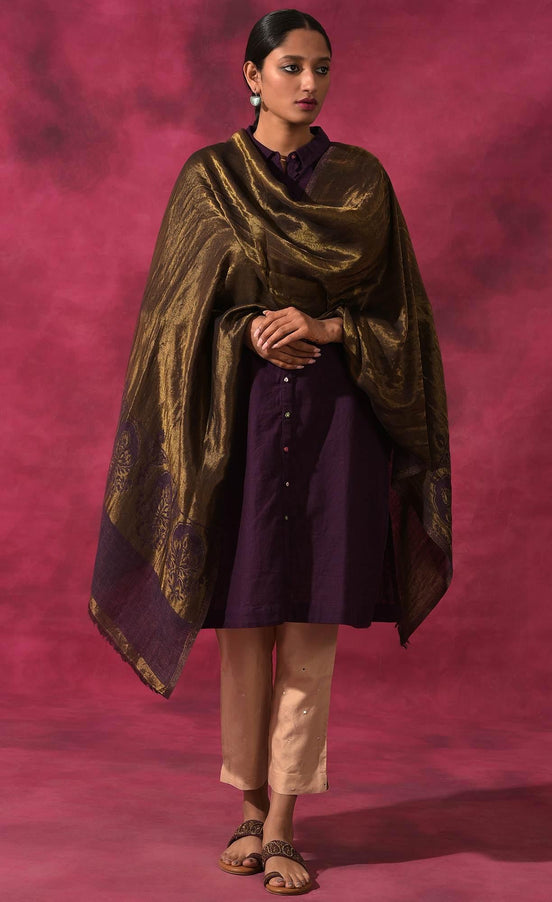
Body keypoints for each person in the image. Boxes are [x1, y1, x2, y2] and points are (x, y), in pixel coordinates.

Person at [88, 9, 453, 897]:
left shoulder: (362, 182)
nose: (310, 83)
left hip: (336, 426)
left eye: (322, 68)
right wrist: (246, 329)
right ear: (251, 76)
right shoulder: (209, 179)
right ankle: (249, 809)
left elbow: (403, 320)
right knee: (247, 626)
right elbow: (172, 321)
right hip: (239, 423)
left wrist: (325, 327)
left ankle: (285, 825)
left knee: (310, 631)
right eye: (291, 67)